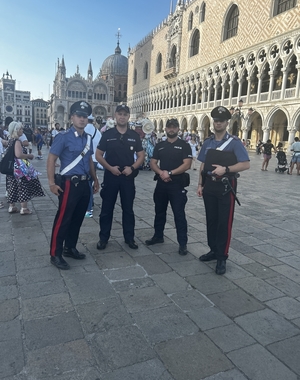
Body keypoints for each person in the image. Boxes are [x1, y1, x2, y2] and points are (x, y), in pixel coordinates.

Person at [197, 107, 250, 275]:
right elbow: (203, 165)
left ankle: (222, 257)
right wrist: (200, 184)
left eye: (221, 120)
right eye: (215, 120)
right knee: (211, 220)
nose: (218, 122)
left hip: (226, 186)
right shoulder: (208, 142)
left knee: (224, 223)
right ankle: (213, 250)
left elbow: (245, 164)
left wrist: (225, 169)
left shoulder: (234, 142)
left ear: (227, 122)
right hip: (209, 186)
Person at [47, 101, 99, 270]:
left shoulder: (88, 138)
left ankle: (70, 247)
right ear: (72, 118)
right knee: (63, 218)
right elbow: (51, 159)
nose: (82, 119)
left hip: (84, 183)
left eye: (85, 117)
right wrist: (51, 183)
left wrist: (95, 179)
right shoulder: (63, 137)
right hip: (69, 183)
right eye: (79, 116)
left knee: (77, 218)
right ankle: (55, 253)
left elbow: (89, 159)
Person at [95, 104, 144, 250]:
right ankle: (103, 238)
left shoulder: (134, 136)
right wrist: (110, 168)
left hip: (128, 178)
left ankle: (129, 238)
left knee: (128, 209)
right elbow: (98, 155)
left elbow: (141, 156)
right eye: (120, 114)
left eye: (125, 114)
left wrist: (133, 167)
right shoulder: (108, 135)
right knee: (106, 209)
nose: (122, 117)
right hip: (111, 177)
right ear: (115, 116)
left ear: (129, 117)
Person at [145, 118, 192, 255]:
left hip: (177, 184)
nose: (171, 129)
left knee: (179, 214)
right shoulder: (160, 145)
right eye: (169, 127)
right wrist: (161, 173)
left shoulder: (184, 145)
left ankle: (182, 243)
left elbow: (187, 164)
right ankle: (158, 236)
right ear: (165, 129)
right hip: (161, 183)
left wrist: (170, 173)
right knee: (159, 211)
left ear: (178, 129)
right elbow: (153, 162)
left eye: (174, 127)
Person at [6, 122, 45, 214]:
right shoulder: (17, 141)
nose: (22, 131)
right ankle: (24, 208)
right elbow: (18, 155)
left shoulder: (10, 140)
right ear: (16, 131)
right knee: (22, 186)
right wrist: (29, 155)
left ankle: (12, 206)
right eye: (20, 129)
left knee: (12, 186)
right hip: (19, 168)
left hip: (11, 167)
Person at [84, 114, 102, 217]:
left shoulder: (82, 130)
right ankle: (90, 203)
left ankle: (88, 207)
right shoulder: (98, 132)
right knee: (91, 182)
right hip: (95, 160)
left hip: (84, 161)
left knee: (85, 183)